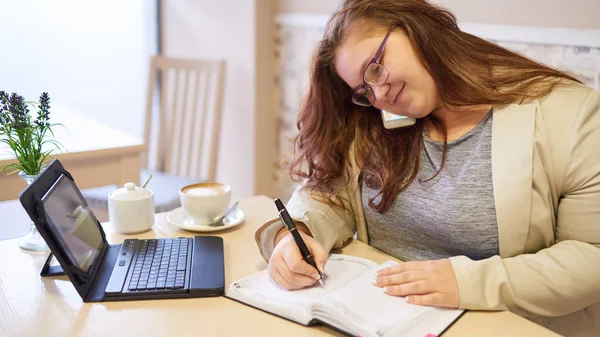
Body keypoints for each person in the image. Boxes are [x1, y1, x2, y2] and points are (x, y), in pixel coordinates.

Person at [255, 0, 600, 336]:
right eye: (364, 90)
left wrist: (465, 282)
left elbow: (590, 258)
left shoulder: (571, 114)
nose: (380, 92)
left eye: (375, 67)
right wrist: (295, 234)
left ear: (417, 27)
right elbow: (330, 194)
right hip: (378, 317)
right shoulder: (382, 119)